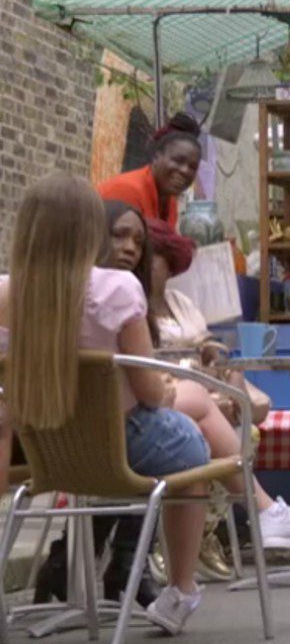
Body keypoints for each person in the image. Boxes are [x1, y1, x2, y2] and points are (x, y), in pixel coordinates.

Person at [0, 174, 209, 634]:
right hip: (123, 445)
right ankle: (180, 588)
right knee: (194, 446)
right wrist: (169, 393)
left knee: (189, 414)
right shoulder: (116, 289)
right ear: (89, 232)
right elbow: (150, 391)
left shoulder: (6, 293)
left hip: (44, 448)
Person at [139, 220, 290, 554]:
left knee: (242, 408)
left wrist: (220, 365)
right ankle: (261, 514)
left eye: (155, 257)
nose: (147, 264)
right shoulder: (129, 309)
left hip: (188, 393)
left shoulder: (180, 302)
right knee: (199, 431)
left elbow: (209, 349)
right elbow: (147, 380)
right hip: (162, 406)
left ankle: (236, 529)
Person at [97, 113, 202, 227]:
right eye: (178, 160)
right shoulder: (128, 189)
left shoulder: (170, 202)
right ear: (156, 157)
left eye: (193, 167)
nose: (185, 170)